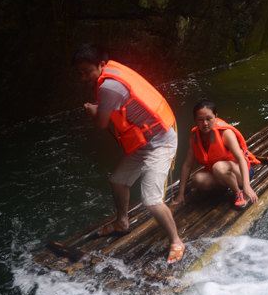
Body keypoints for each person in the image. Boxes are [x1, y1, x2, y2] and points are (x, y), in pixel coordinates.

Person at [73, 44, 185, 264]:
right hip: (145, 141)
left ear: (101, 65)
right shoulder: (110, 76)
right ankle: (122, 223)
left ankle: (176, 241)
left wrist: (93, 110)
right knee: (118, 181)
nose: (83, 77)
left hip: (160, 142)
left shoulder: (109, 88)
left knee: (151, 200)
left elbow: (102, 122)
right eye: (80, 73)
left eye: (87, 71)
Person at [173, 100, 259, 210]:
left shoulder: (225, 133)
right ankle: (226, 185)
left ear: (216, 117)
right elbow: (187, 165)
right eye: (200, 120)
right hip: (219, 172)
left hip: (241, 172)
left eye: (209, 119)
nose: (205, 123)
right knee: (198, 179)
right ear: (195, 120)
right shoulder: (195, 136)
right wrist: (181, 194)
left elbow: (241, 159)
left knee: (218, 167)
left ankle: (239, 192)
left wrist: (247, 186)